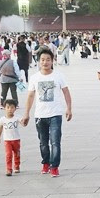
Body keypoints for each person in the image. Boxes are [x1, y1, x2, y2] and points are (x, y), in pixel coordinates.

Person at [21, 48, 72, 178]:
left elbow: (66, 92)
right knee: (43, 142)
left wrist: (69, 108)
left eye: (48, 59)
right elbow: (30, 96)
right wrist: (26, 113)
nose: (45, 62)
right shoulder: (34, 78)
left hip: (55, 114)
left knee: (55, 142)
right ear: (38, 61)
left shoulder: (58, 76)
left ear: (52, 60)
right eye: (42, 60)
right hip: (40, 115)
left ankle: (54, 166)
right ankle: (46, 162)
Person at [0, 99, 22, 176]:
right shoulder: (2, 119)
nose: (10, 109)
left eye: (12, 107)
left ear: (15, 108)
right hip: (7, 140)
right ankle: (9, 169)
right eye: (8, 107)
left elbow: (23, 122)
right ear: (4, 108)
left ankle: (17, 166)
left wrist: (25, 120)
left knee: (17, 153)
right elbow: (0, 128)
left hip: (16, 139)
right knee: (8, 155)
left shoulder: (17, 117)